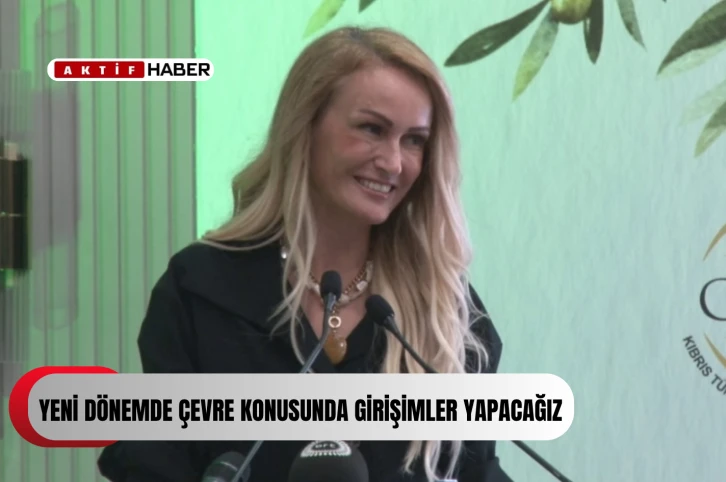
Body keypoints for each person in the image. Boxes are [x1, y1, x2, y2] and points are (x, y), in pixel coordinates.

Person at [97, 26, 511, 482]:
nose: (394, 162)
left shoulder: (448, 315)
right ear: (305, 127)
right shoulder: (201, 289)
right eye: (372, 129)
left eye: (414, 140)